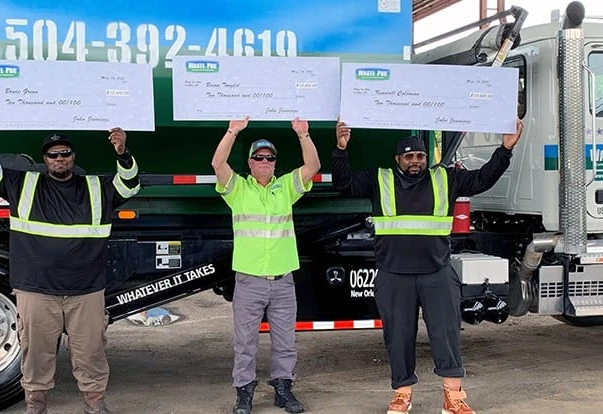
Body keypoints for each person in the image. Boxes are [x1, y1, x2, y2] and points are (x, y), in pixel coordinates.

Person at [331, 119, 523, 414]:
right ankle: (402, 395)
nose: (415, 161)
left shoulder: (446, 178)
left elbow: (483, 179)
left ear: (426, 158)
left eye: (420, 156)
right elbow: (343, 185)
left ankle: (453, 397)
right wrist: (341, 149)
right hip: (394, 274)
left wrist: (505, 149)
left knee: (446, 333)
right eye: (408, 156)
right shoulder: (378, 179)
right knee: (398, 336)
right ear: (398, 160)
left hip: (437, 272)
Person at [0, 105, 141, 414]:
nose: (60, 159)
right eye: (53, 155)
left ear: (73, 157)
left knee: (92, 354)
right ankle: (36, 407)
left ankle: (95, 406)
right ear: (45, 160)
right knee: (36, 356)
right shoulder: (23, 185)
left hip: (85, 292)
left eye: (65, 153)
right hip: (36, 291)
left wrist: (123, 153)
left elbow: (130, 184)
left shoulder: (96, 187)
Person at [211, 117, 320, 414]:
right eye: (258, 157)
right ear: (250, 162)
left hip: (283, 280)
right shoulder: (238, 191)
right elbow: (218, 163)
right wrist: (233, 130)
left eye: (269, 157)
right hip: (249, 280)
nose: (264, 161)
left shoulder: (285, 188)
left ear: (274, 163)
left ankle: (283, 391)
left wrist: (303, 134)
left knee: (285, 342)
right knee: (245, 343)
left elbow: (312, 166)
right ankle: (243, 394)